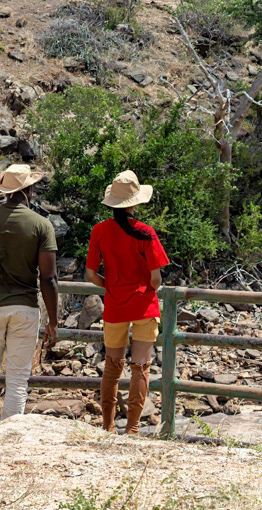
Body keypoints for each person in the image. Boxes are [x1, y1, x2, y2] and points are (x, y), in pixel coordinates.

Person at [0, 163, 60, 427]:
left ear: (6, 190)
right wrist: (53, 321)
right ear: (28, 189)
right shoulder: (41, 225)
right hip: (25, 307)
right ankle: (10, 438)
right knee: (17, 380)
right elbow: (49, 278)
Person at [86, 170, 170, 435]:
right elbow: (155, 279)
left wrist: (110, 285)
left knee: (112, 366)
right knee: (141, 367)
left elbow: (91, 274)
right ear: (135, 202)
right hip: (144, 305)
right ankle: (132, 429)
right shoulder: (146, 232)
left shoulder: (99, 231)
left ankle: (108, 426)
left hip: (114, 306)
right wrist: (148, 289)